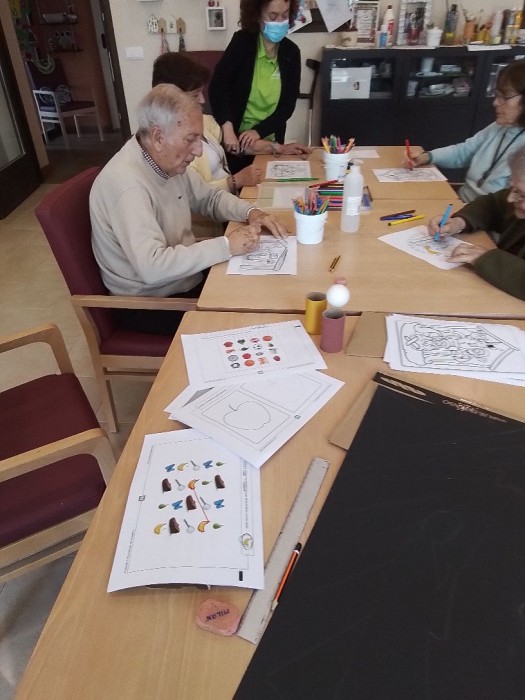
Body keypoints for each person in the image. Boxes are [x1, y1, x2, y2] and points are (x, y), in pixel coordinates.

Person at [90, 84, 288, 334]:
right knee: (253, 320)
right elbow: (153, 267)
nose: (198, 150)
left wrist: (252, 213)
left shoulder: (163, 160)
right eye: (190, 139)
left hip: (181, 279)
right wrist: (226, 246)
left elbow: (210, 198)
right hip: (150, 303)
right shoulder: (128, 185)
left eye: (199, 138)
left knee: (263, 291)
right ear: (158, 137)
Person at [152, 51, 311, 197]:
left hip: (227, 202)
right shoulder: (168, 147)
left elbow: (236, 145)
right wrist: (235, 181)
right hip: (211, 215)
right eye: (195, 95)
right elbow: (192, 197)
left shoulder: (205, 121)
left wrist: (278, 148)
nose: (202, 100)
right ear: (171, 97)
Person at [408, 60, 525, 203]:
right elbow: (464, 152)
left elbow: (509, 210)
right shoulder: (498, 128)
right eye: (497, 94)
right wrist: (428, 157)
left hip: (485, 214)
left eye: (504, 96)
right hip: (462, 203)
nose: (495, 102)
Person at [209, 0, 302, 173]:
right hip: (237, 143)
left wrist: (258, 132)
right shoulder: (242, 43)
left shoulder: (292, 53)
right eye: (273, 16)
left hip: (270, 141)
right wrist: (227, 128)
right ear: (257, 16)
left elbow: (288, 106)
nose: (280, 22)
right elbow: (218, 87)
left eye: (284, 15)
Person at [427, 145, 525, 301]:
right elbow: (493, 204)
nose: (510, 198)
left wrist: (486, 258)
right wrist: (460, 222)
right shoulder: (515, 199)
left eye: (521, 194)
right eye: (512, 188)